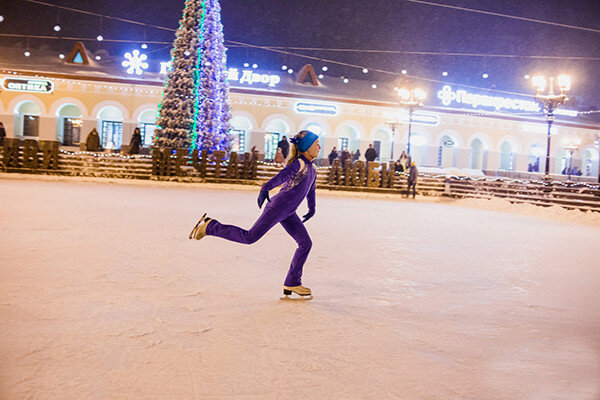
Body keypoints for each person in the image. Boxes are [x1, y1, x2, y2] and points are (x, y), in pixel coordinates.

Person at [190, 130, 321, 298]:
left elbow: (311, 190)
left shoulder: (313, 168)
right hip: (277, 208)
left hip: (289, 212)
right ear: (306, 147)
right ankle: (211, 226)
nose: (319, 146)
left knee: (305, 243)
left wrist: (312, 208)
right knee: (249, 237)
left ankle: (292, 282)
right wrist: (265, 187)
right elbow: (282, 176)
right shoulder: (299, 164)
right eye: (315, 143)